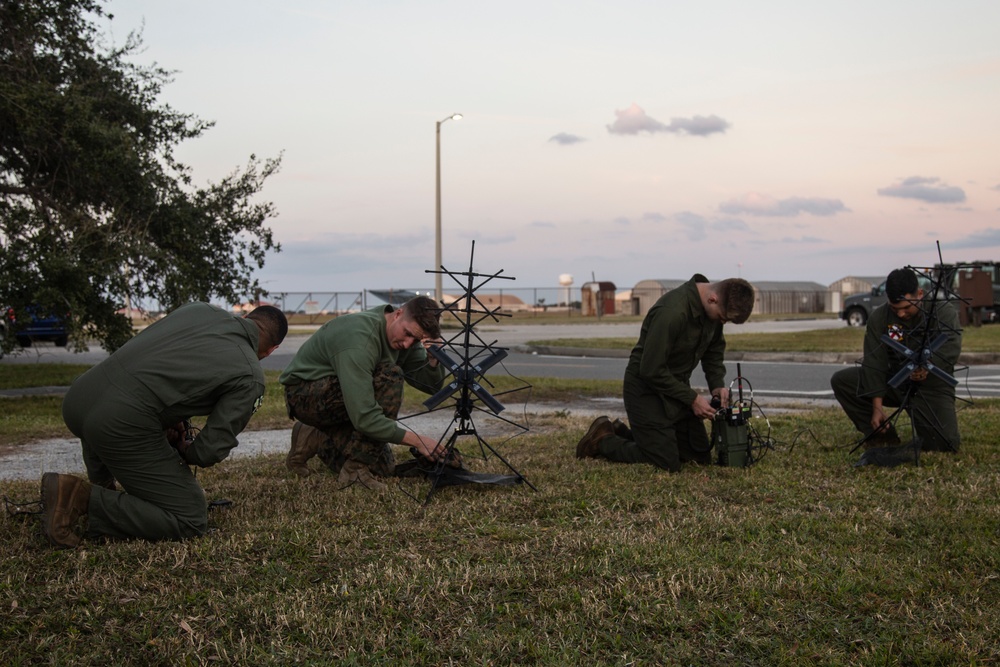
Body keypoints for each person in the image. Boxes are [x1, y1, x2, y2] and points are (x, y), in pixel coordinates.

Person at [42, 302, 288, 548]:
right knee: (190, 518)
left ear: (245, 317)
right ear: (271, 350)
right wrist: (185, 448)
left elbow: (158, 366)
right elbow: (207, 451)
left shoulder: (201, 310)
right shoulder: (250, 375)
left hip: (79, 398)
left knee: (110, 420)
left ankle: (103, 490)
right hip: (118, 422)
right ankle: (79, 498)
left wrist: (172, 419)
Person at [575, 274, 755, 471]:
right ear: (713, 298)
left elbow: (713, 352)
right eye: (722, 318)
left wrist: (717, 385)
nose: (722, 323)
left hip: (674, 388)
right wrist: (692, 399)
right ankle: (602, 439)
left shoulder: (711, 312)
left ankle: (625, 433)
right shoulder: (672, 312)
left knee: (698, 456)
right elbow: (651, 370)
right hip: (645, 390)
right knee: (666, 462)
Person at [279, 296, 448, 489]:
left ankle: (315, 435)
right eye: (407, 334)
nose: (408, 343)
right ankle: (354, 472)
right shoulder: (360, 338)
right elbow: (364, 417)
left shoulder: (403, 338)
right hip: (305, 394)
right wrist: (418, 440)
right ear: (398, 314)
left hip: (341, 397)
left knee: (383, 468)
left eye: (416, 339)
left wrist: (434, 359)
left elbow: (431, 386)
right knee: (390, 376)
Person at [830, 267, 961, 452]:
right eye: (895, 309)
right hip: (896, 381)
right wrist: (877, 407)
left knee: (944, 444)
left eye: (906, 307)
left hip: (931, 386)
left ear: (920, 294)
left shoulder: (943, 313)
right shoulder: (879, 318)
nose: (900, 314)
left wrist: (927, 367)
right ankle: (883, 436)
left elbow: (951, 347)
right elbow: (874, 362)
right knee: (843, 381)